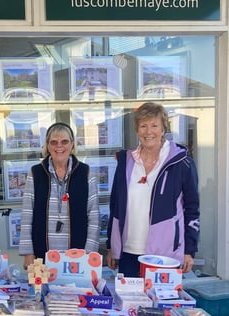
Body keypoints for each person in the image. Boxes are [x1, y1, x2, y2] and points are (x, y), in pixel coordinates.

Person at [106, 102, 200, 276]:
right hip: (128, 252)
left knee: (162, 303)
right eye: (143, 126)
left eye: (154, 126)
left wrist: (189, 250)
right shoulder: (125, 161)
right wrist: (112, 246)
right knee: (129, 303)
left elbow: (192, 209)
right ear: (137, 130)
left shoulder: (182, 162)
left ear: (163, 129)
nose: (148, 132)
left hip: (165, 255)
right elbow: (115, 206)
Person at [19, 122, 100, 269]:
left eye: (64, 141)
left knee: (76, 290)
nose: (59, 146)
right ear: (48, 146)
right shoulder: (35, 173)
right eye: (54, 142)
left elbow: (93, 216)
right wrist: (27, 252)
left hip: (78, 254)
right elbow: (26, 214)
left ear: (72, 145)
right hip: (40, 253)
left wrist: (89, 254)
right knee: (41, 291)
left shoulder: (86, 173)